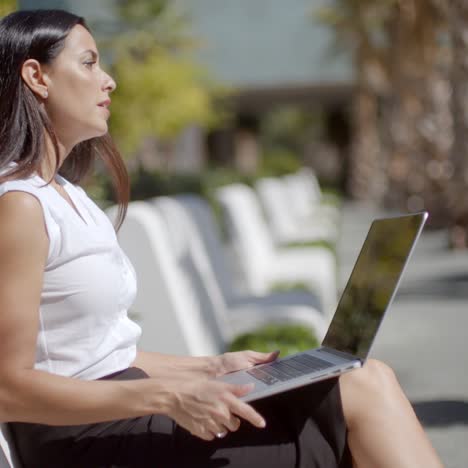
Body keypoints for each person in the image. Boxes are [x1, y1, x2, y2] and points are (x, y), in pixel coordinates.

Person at [0, 9, 443, 468]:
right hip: (87, 443)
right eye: (90, 63)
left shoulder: (68, 196)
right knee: (363, 392)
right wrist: (167, 396)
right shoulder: (19, 206)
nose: (108, 80)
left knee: (363, 381)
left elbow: (106, 354)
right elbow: (8, 389)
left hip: (127, 414)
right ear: (37, 76)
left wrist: (211, 367)